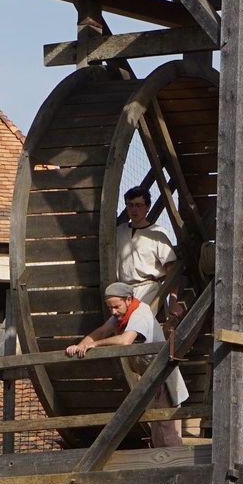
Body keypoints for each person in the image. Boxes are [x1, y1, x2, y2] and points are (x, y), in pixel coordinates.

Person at [66, 281, 186, 448]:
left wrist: (94, 345)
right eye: (110, 308)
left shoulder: (139, 314)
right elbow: (102, 331)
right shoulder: (122, 314)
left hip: (164, 377)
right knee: (158, 432)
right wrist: (81, 345)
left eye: (116, 307)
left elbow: (125, 341)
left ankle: (175, 469)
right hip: (151, 377)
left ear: (128, 300)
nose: (113, 312)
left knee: (167, 433)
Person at [115, 184, 178, 312]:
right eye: (130, 205)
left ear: (148, 207)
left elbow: (172, 270)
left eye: (138, 205)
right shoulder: (118, 232)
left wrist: (173, 301)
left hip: (149, 291)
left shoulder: (158, 234)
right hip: (122, 292)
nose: (134, 209)